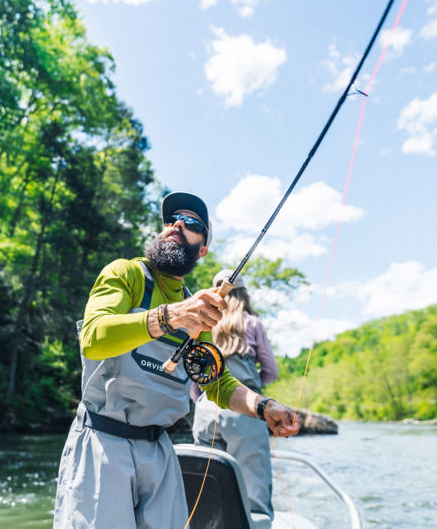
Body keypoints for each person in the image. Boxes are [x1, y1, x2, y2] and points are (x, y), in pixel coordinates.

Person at [53, 192, 301, 529]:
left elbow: (216, 383)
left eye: (192, 223)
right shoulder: (125, 275)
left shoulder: (196, 314)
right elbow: (94, 337)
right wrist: (169, 317)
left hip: (160, 453)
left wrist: (264, 407)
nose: (177, 225)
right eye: (171, 220)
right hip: (102, 443)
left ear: (203, 250)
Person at [190, 269, 280, 520]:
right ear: (243, 293)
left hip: (206, 411)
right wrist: (253, 392)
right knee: (254, 500)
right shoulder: (252, 323)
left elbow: (195, 381)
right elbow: (271, 371)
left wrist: (203, 401)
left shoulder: (203, 325)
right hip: (247, 411)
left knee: (207, 494)